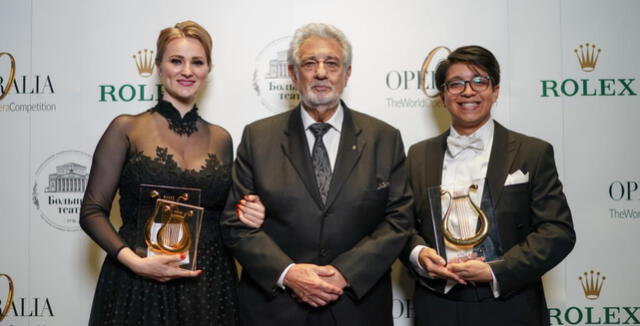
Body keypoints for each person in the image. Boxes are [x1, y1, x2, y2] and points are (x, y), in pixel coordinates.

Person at [220, 23, 413, 326]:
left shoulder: (383, 138)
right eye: (310, 63)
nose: (321, 72)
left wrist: (346, 273)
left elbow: (399, 219)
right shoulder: (257, 138)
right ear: (294, 74)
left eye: (332, 63)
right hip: (276, 309)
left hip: (357, 308)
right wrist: (290, 273)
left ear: (346, 74)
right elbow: (235, 222)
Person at [79, 20, 264, 326]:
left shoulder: (222, 139)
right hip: (138, 282)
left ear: (208, 70)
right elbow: (92, 211)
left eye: (197, 62)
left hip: (208, 284)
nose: (187, 71)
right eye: (176, 60)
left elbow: (226, 215)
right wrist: (135, 263)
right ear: (159, 66)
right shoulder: (127, 128)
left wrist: (249, 211)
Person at [403, 45, 576, 325]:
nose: (468, 91)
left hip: (510, 305)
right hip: (438, 306)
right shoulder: (417, 155)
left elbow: (557, 232)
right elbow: (401, 226)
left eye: (479, 81)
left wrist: (497, 270)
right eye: (456, 83)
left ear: (495, 91)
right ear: (443, 96)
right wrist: (419, 254)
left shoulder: (532, 152)